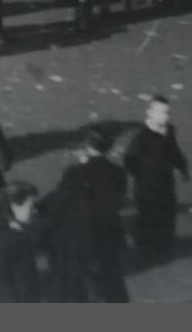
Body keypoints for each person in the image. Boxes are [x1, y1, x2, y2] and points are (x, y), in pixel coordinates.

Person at [45, 126, 128, 303]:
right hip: (109, 233)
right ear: (109, 148)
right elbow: (119, 201)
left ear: (87, 147)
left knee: (79, 283)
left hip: (82, 234)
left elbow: (61, 200)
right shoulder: (118, 173)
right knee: (112, 279)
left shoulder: (75, 173)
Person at [119, 96, 191, 260]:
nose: (165, 116)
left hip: (165, 181)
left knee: (167, 213)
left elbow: (174, 152)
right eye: (161, 113)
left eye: (167, 112)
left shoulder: (169, 131)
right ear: (150, 113)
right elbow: (130, 159)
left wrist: (182, 166)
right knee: (148, 216)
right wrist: (140, 175)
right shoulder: (142, 136)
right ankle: (144, 247)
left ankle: (163, 245)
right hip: (147, 185)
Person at [0, 181, 43, 303]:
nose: (35, 211)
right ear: (13, 206)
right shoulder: (19, 240)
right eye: (31, 206)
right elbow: (26, 286)